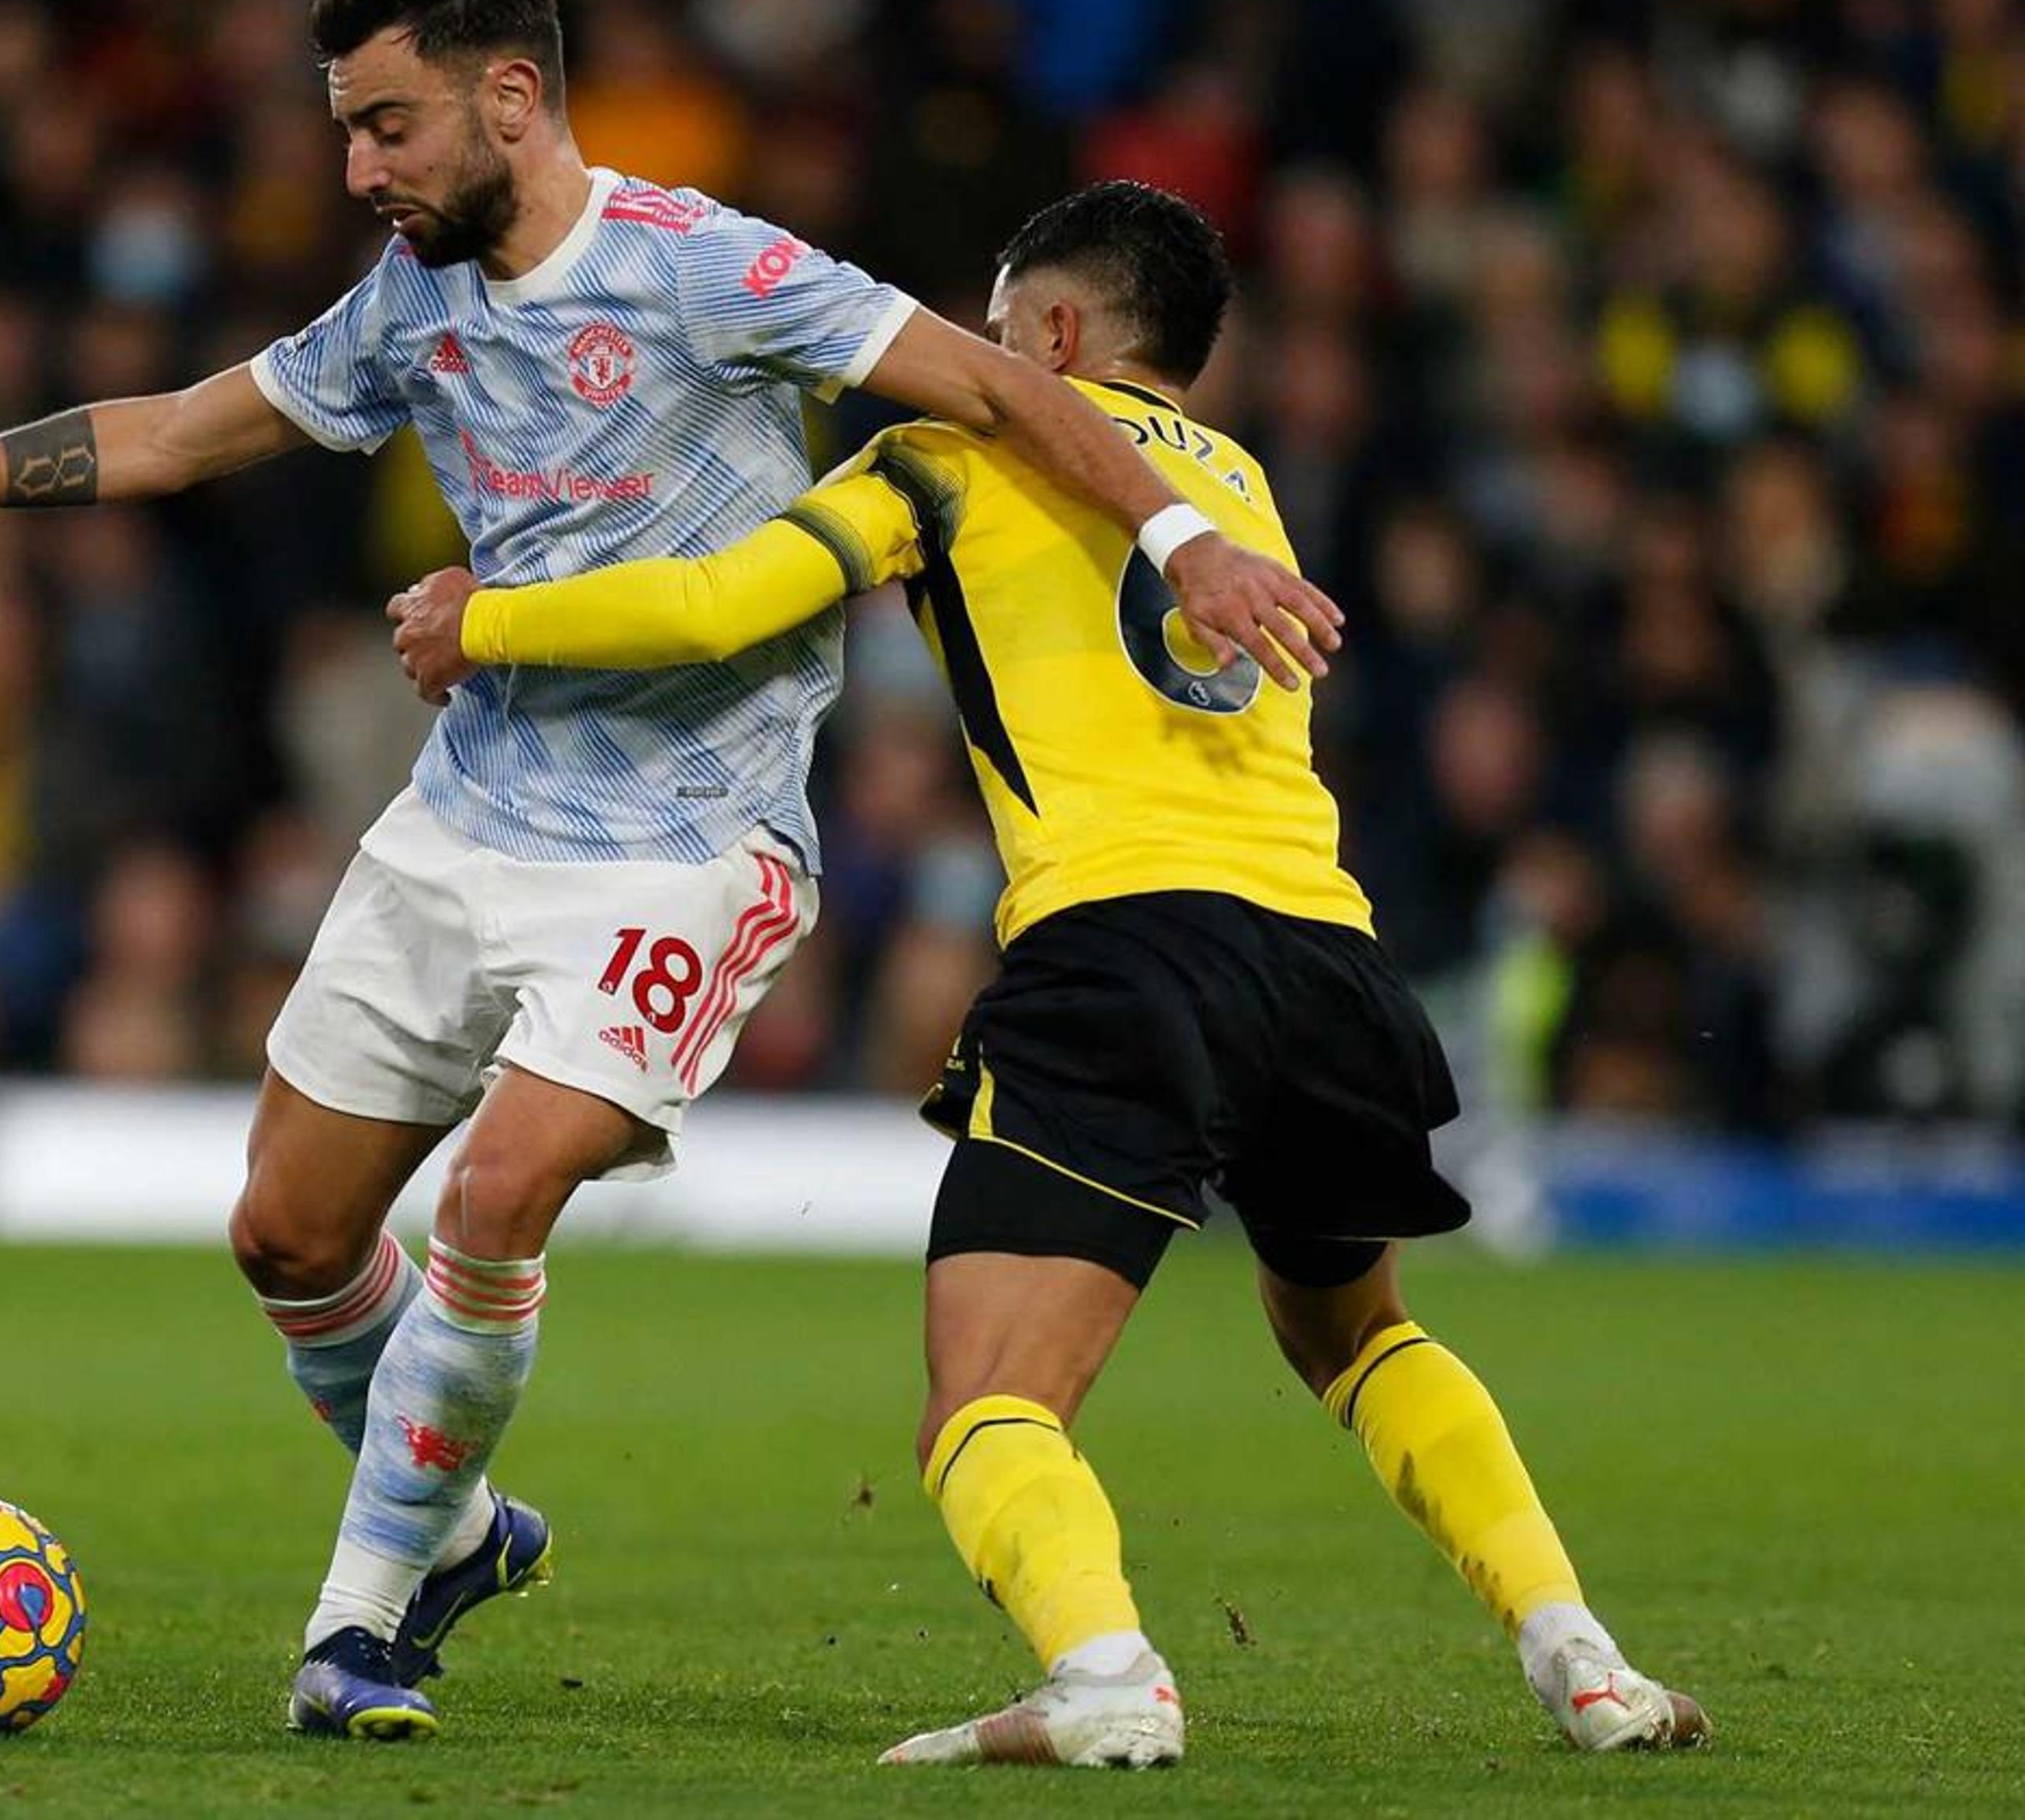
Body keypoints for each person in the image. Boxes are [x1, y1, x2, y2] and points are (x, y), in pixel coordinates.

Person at [0, 0, 1341, 1738]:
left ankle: (360, 1621)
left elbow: (1005, 384)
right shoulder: (408, 305)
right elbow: (166, 430)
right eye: (348, 130)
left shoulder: (715, 266)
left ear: (512, 95)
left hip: (691, 840)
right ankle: (452, 1523)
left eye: (387, 126)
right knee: (288, 1235)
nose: (359, 168)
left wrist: (1189, 540)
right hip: (470, 812)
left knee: (495, 1187)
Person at [388, 180, 1707, 1769]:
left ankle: (1103, 1673)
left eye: (996, 325)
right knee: (1359, 1334)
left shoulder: (948, 450)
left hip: (1126, 948)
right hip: (1327, 952)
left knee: (986, 1399)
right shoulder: (1242, 488)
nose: (973, 349)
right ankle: (1583, 1658)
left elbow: (728, 597)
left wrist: (498, 617)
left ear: (1056, 330)